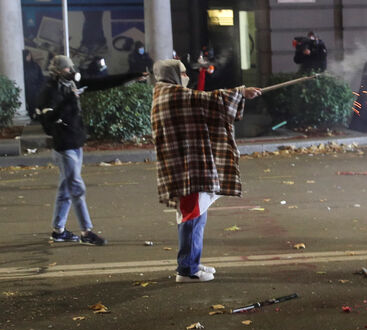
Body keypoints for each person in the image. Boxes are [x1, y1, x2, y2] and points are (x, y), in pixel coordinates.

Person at [150, 59, 261, 283]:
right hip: (188, 168)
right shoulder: (170, 94)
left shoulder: (168, 93)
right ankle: (187, 270)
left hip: (189, 166)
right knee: (192, 216)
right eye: (182, 72)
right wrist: (241, 92)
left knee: (196, 214)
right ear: (172, 74)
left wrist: (239, 94)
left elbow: (200, 103)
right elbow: (208, 100)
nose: (185, 76)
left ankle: (192, 262)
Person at [36, 55, 147, 245]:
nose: (71, 72)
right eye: (66, 70)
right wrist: (69, 100)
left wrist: (132, 76)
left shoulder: (71, 84)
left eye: (71, 69)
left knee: (66, 188)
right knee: (77, 189)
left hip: (75, 142)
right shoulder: (50, 91)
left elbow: (102, 82)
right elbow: (49, 119)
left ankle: (59, 230)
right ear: (56, 71)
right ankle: (87, 232)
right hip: (64, 146)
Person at [22, 50, 44, 120]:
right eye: (27, 55)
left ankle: (37, 117)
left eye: (29, 55)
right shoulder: (21, 66)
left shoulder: (35, 65)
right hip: (26, 89)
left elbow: (41, 77)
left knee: (37, 104)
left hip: (35, 88)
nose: (29, 57)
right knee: (29, 105)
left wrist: (39, 86)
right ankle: (32, 116)